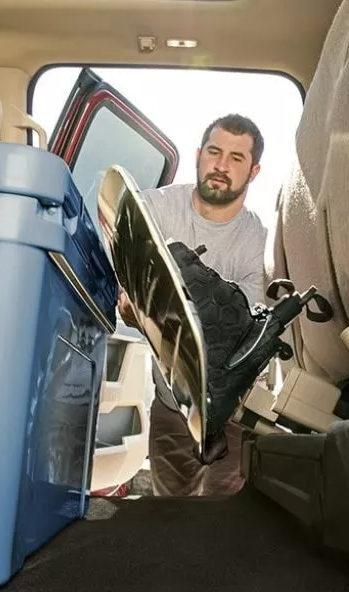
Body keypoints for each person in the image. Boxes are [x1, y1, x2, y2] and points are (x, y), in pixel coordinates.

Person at [119, 114, 268, 496]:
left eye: (237, 158)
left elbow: (241, 330)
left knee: (222, 515)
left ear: (253, 171)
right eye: (214, 152)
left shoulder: (258, 241)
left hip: (232, 408)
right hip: (172, 402)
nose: (221, 165)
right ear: (199, 155)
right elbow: (127, 278)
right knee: (171, 511)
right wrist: (133, 304)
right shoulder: (155, 208)